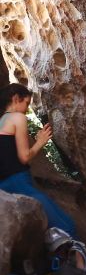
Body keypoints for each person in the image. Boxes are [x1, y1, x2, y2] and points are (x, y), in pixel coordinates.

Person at [0, 83, 77, 237]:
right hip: (19, 183)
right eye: (26, 103)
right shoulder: (17, 117)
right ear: (16, 99)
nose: (27, 109)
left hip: (3, 190)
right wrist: (40, 141)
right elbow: (24, 157)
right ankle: (78, 260)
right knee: (66, 227)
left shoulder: (2, 121)